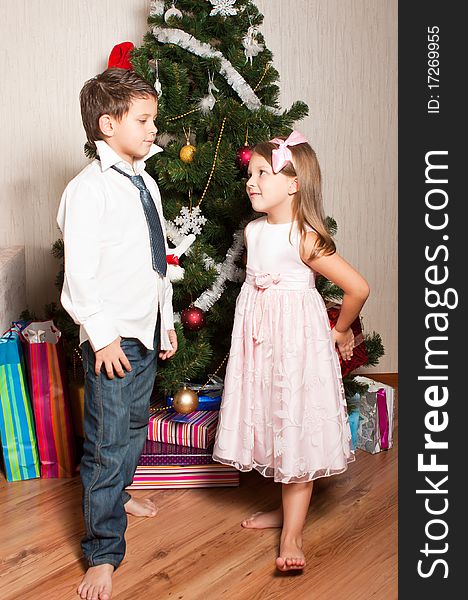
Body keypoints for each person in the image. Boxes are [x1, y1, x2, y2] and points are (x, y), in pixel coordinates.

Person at [212, 131, 370, 572]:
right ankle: (286, 510)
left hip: (296, 348)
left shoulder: (305, 238)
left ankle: (293, 533)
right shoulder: (253, 230)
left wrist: (339, 332)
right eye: (250, 173)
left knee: (293, 424)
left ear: (294, 183)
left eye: (263, 172)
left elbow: (357, 288)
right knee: (268, 419)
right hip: (261, 347)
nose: (251, 181)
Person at [57, 67, 177, 600]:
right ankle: (103, 551)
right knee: (106, 442)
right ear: (108, 124)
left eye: (154, 119)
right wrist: (101, 336)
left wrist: (165, 320)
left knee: (131, 425)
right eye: (144, 120)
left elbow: (156, 263)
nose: (154, 129)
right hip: (112, 335)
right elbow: (79, 275)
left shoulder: (145, 181)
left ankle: (119, 492)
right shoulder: (88, 190)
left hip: (144, 326)